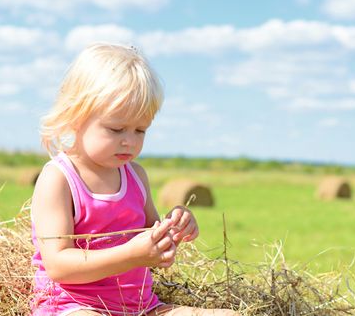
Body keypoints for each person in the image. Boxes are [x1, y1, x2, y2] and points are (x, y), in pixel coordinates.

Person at [31, 43, 239, 316]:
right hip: (71, 307)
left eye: (140, 130)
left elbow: (150, 234)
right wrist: (132, 255)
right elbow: (59, 265)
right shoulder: (59, 178)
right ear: (75, 116)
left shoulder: (136, 176)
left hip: (140, 308)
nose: (129, 141)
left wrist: (174, 229)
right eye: (116, 129)